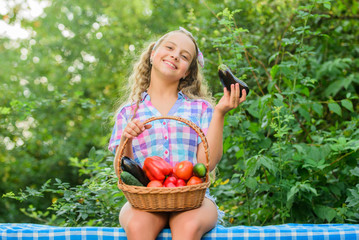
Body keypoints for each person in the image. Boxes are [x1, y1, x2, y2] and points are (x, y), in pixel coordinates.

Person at [109, 27, 247, 240]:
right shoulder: (128, 113)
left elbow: (206, 164)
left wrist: (219, 112)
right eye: (170, 48)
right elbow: (124, 171)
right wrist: (128, 139)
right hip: (145, 201)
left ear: (187, 73)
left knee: (188, 226)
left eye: (184, 56)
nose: (175, 55)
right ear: (153, 54)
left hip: (192, 199)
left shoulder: (200, 109)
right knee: (137, 225)